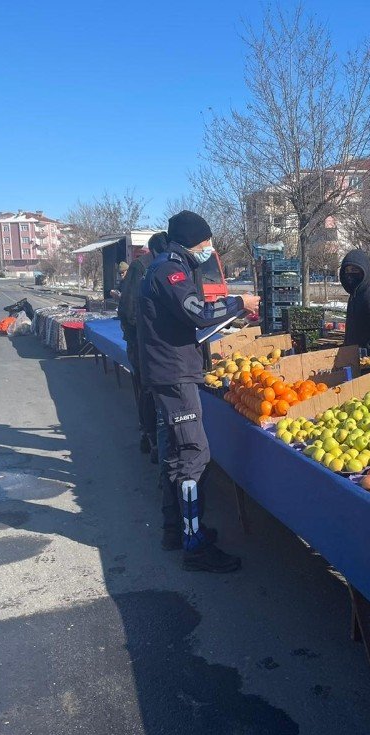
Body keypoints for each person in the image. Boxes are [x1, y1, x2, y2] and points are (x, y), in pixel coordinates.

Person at [138, 210, 259, 572]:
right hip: (173, 376)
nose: (209, 248)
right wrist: (238, 302)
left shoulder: (168, 265)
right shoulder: (169, 269)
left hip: (170, 371)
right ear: (194, 239)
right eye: (206, 241)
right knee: (195, 454)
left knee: (177, 455)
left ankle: (176, 529)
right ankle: (194, 546)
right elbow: (196, 312)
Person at [118, 239, 159, 457]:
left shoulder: (176, 263)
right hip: (143, 344)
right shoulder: (141, 266)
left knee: (152, 390)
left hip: (156, 346)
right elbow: (129, 310)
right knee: (147, 388)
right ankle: (150, 436)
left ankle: (153, 434)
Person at [339, 249, 370, 357]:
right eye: (347, 270)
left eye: (354, 269)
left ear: (364, 271)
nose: (350, 274)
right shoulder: (354, 295)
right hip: (354, 356)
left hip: (369, 360)